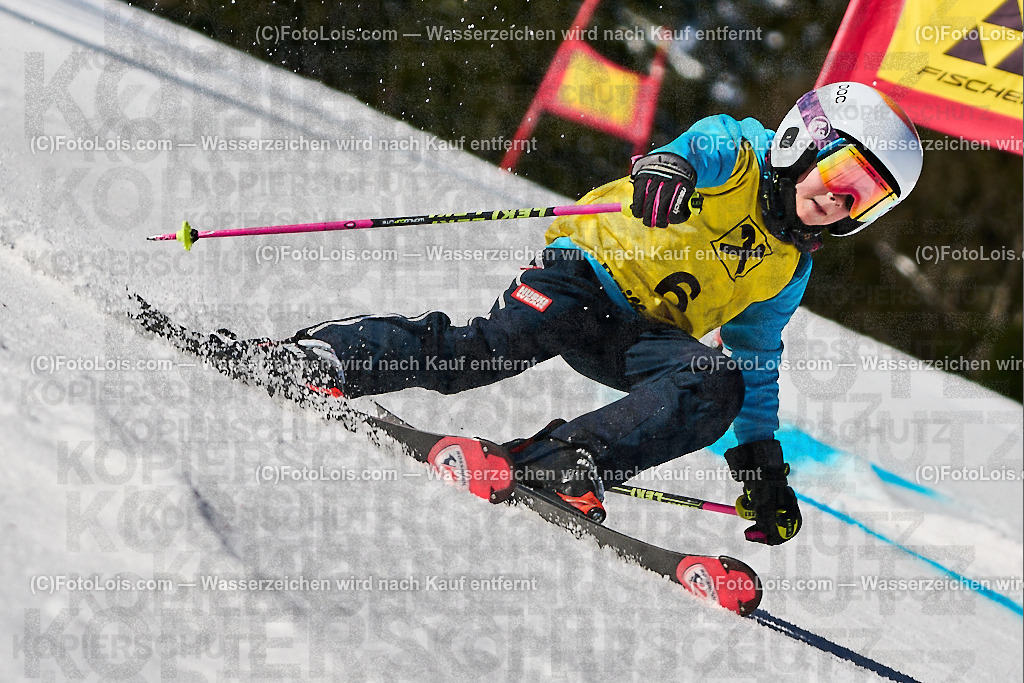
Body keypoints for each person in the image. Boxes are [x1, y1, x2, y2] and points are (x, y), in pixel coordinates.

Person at [254, 82, 924, 545]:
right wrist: (666, 169)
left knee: (717, 382)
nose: (844, 204)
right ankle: (331, 355)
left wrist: (760, 463)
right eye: (847, 178)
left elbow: (756, 358)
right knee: (478, 354)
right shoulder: (738, 152)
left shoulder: (788, 265)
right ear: (804, 140)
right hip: (582, 276)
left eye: (867, 201)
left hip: (638, 336)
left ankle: (564, 461)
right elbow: (693, 148)